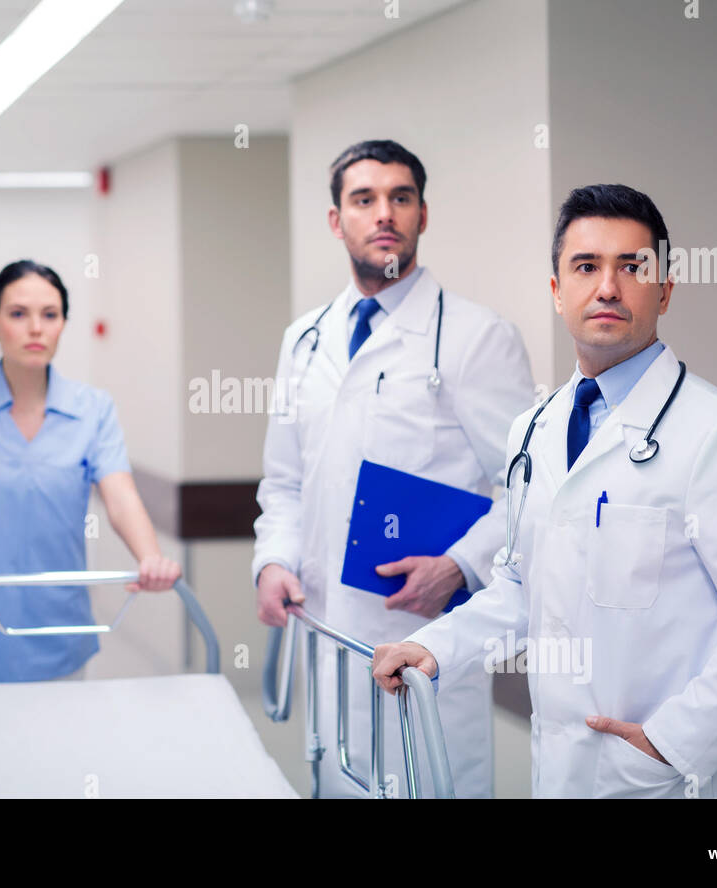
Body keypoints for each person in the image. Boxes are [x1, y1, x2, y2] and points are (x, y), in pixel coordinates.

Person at [373, 184, 717, 798]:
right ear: (557, 291)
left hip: (660, 778)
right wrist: (436, 647)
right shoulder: (532, 430)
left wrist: (673, 741)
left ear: (664, 288)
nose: (608, 287)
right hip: (561, 773)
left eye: (632, 267)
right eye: (586, 267)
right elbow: (520, 586)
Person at [253, 140, 535, 797]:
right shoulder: (306, 339)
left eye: (400, 198)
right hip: (327, 629)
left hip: (422, 640)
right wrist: (273, 561)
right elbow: (284, 482)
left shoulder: (475, 338)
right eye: (364, 199)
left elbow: (530, 490)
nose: (385, 213)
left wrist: (459, 565)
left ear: (422, 215)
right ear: (336, 221)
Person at [0, 260, 181, 682]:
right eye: (18, 314)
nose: (36, 328)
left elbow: (121, 498)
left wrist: (151, 558)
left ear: (63, 325)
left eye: (50, 315)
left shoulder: (93, 409)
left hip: (62, 634)